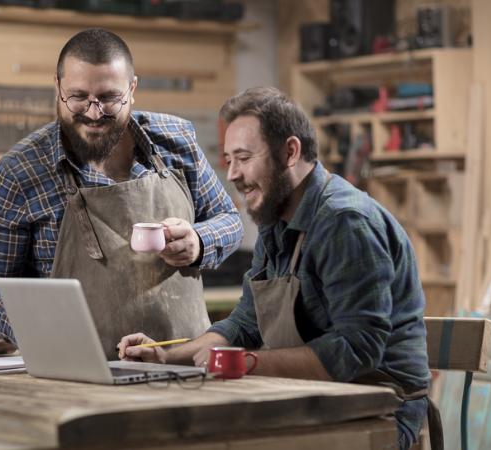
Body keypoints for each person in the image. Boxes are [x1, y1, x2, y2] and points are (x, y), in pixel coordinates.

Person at [118, 87, 436, 450]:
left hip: (382, 409)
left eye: (244, 158)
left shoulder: (345, 222)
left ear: (290, 152)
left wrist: (244, 363)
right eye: (228, 160)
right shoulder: (276, 221)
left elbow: (356, 349)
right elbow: (246, 323)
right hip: (318, 398)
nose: (233, 175)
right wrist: (167, 357)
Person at [0, 28, 243, 359]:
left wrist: (199, 241)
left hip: (182, 362)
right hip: (77, 369)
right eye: (78, 97)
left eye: (109, 98)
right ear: (57, 88)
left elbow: (230, 221)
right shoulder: (20, 171)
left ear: (132, 89)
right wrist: (35, 331)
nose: (94, 112)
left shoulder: (177, 142)